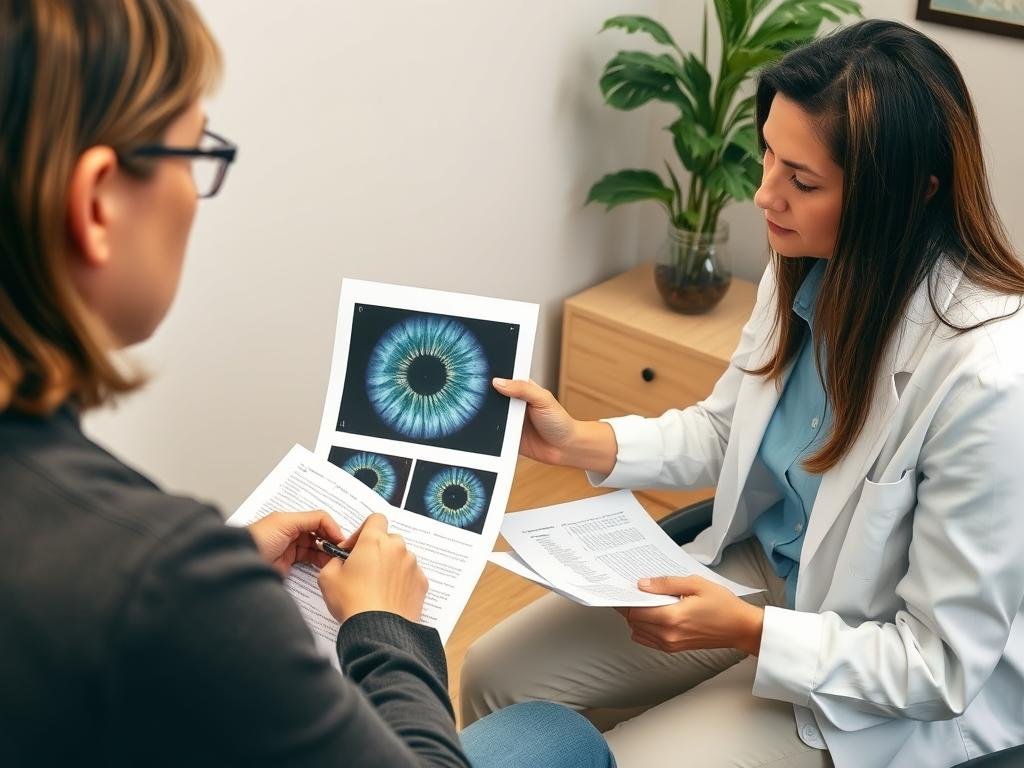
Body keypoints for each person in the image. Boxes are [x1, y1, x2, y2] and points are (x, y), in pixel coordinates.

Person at [0, 2, 615, 766]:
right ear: (97, 203)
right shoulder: (161, 579)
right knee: (558, 737)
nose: (196, 194)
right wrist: (387, 629)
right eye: (195, 156)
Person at [461, 18, 1024, 768]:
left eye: (803, 181)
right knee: (495, 673)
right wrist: (578, 440)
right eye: (767, 157)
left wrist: (748, 634)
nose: (764, 197)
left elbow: (937, 666)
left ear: (909, 194)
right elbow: (728, 432)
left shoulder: (988, 379)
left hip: (871, 673)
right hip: (764, 571)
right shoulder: (807, 265)